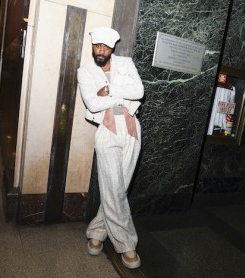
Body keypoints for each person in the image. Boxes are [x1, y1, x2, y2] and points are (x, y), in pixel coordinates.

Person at [77, 26, 144, 269]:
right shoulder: (84, 71)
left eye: (105, 47)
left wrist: (110, 90)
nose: (101, 51)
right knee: (114, 189)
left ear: (113, 48)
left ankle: (96, 231)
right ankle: (127, 244)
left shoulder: (126, 64)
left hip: (132, 130)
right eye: (97, 46)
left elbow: (139, 91)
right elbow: (93, 104)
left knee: (118, 189)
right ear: (92, 46)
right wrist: (119, 97)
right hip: (106, 130)